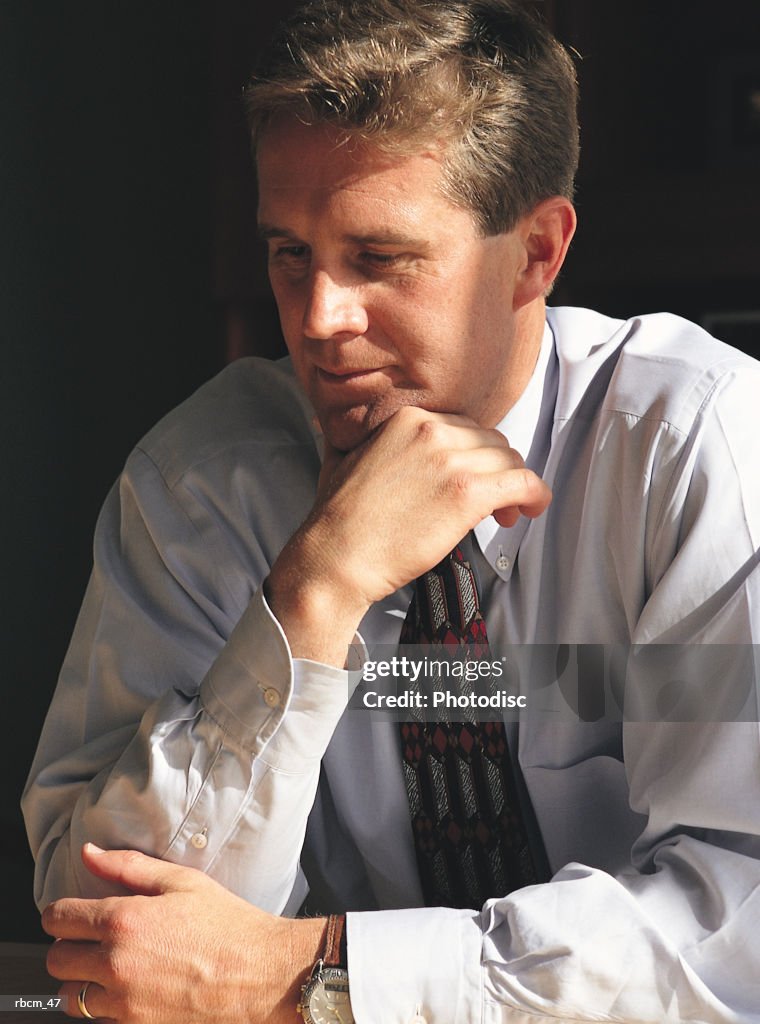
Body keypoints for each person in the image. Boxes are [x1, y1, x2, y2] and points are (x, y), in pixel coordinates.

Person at [22, 0, 760, 1021]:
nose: (320, 319)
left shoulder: (695, 447)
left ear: (538, 252)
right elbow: (111, 938)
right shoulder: (207, 479)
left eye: (379, 258)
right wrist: (313, 595)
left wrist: (321, 976)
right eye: (290, 254)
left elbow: (735, 928)